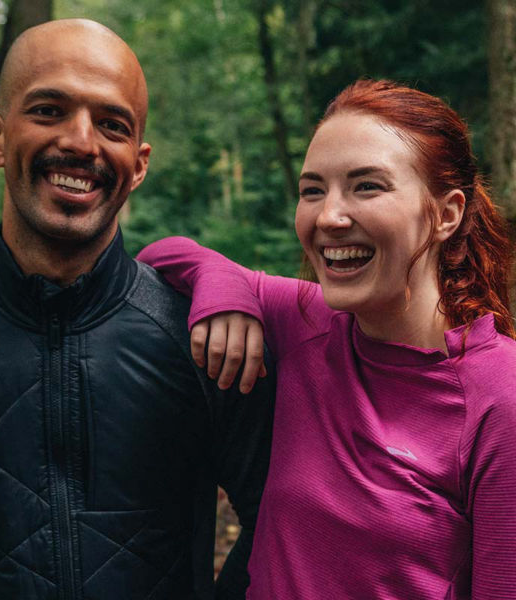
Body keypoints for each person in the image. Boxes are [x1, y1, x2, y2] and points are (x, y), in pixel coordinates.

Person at [0, 19, 274, 600]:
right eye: (49, 110)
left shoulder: (206, 336)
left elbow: (279, 524)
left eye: (112, 124)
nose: (82, 142)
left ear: (138, 162)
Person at [138, 79, 516, 599]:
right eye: (312, 190)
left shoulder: (500, 397)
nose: (329, 217)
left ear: (447, 214)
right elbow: (166, 254)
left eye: (367, 186)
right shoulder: (305, 321)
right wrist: (226, 293)